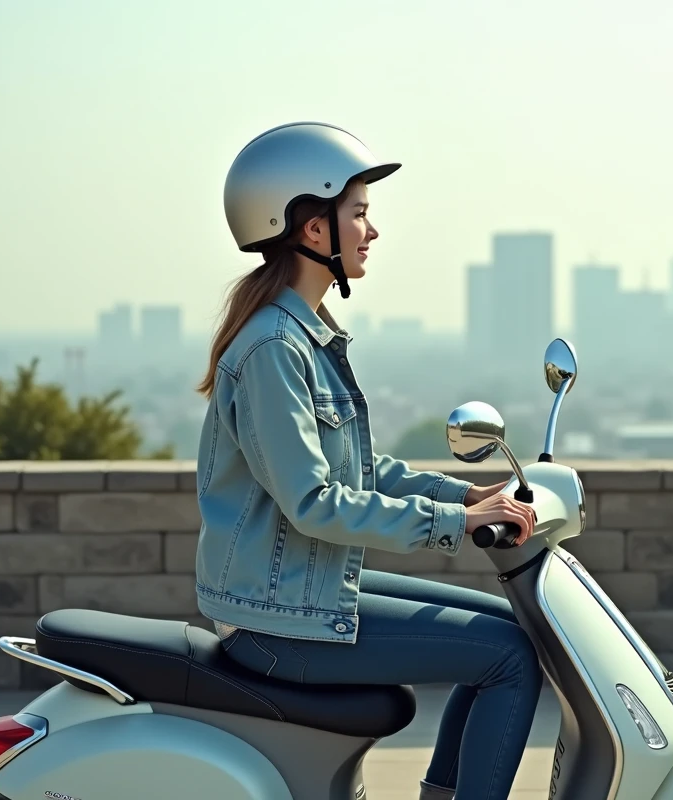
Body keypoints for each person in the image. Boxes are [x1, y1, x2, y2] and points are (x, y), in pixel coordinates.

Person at [193, 121, 542, 800]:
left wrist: (466, 500)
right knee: (509, 659)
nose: (372, 231)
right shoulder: (275, 350)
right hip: (275, 620)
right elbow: (316, 502)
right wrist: (453, 526)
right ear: (310, 228)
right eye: (358, 213)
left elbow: (364, 469)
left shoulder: (303, 337)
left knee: (506, 632)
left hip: (295, 593)